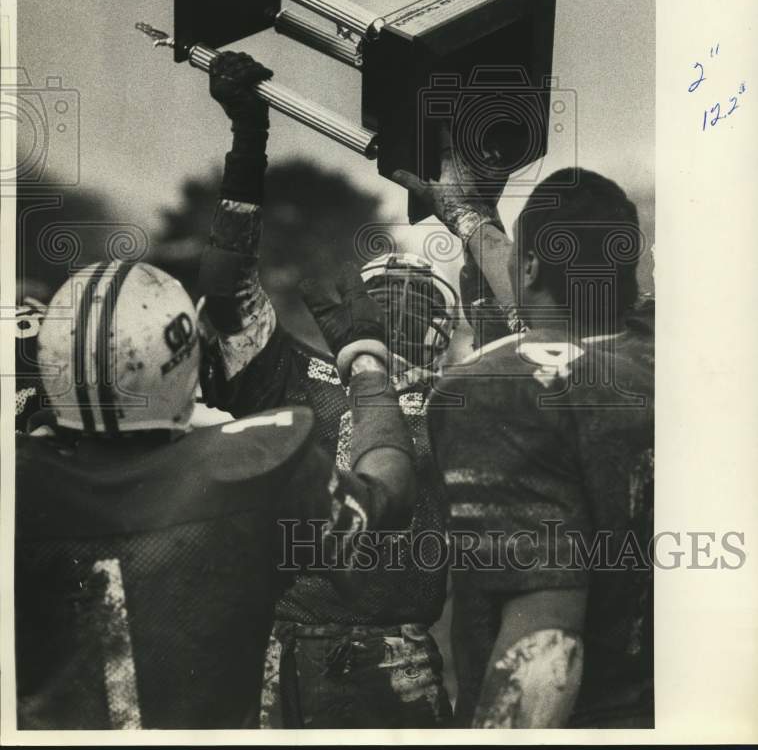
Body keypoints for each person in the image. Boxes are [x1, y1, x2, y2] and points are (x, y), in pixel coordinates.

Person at [15, 258, 415, 730]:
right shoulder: (256, 464)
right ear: (182, 359)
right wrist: (365, 362)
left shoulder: (21, 483)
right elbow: (388, 496)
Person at [198, 51, 457, 728]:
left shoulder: (467, 400)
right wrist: (248, 145)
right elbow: (228, 296)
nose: (404, 310)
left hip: (390, 655)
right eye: (387, 298)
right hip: (285, 651)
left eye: (420, 300)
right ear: (359, 313)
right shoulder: (303, 373)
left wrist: (466, 208)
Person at [395, 155, 654, 728]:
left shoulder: (499, 389)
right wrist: (467, 217)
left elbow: (544, 651)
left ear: (531, 266)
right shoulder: (665, 352)